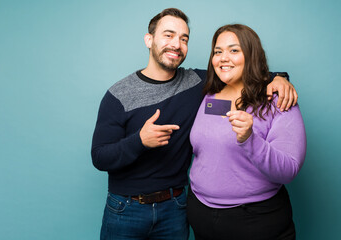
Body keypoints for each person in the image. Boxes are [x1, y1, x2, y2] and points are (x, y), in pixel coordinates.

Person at [91, 8, 297, 240]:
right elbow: (100, 157)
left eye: (184, 38)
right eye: (168, 35)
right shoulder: (118, 95)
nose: (176, 44)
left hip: (176, 207)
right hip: (126, 209)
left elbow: (240, 69)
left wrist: (279, 78)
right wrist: (139, 141)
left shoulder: (198, 83)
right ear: (149, 40)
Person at [187, 24, 307, 240]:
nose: (224, 58)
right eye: (218, 51)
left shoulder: (278, 100)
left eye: (234, 50)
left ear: (251, 55)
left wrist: (250, 139)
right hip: (201, 214)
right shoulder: (208, 95)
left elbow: (288, 169)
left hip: (256, 220)